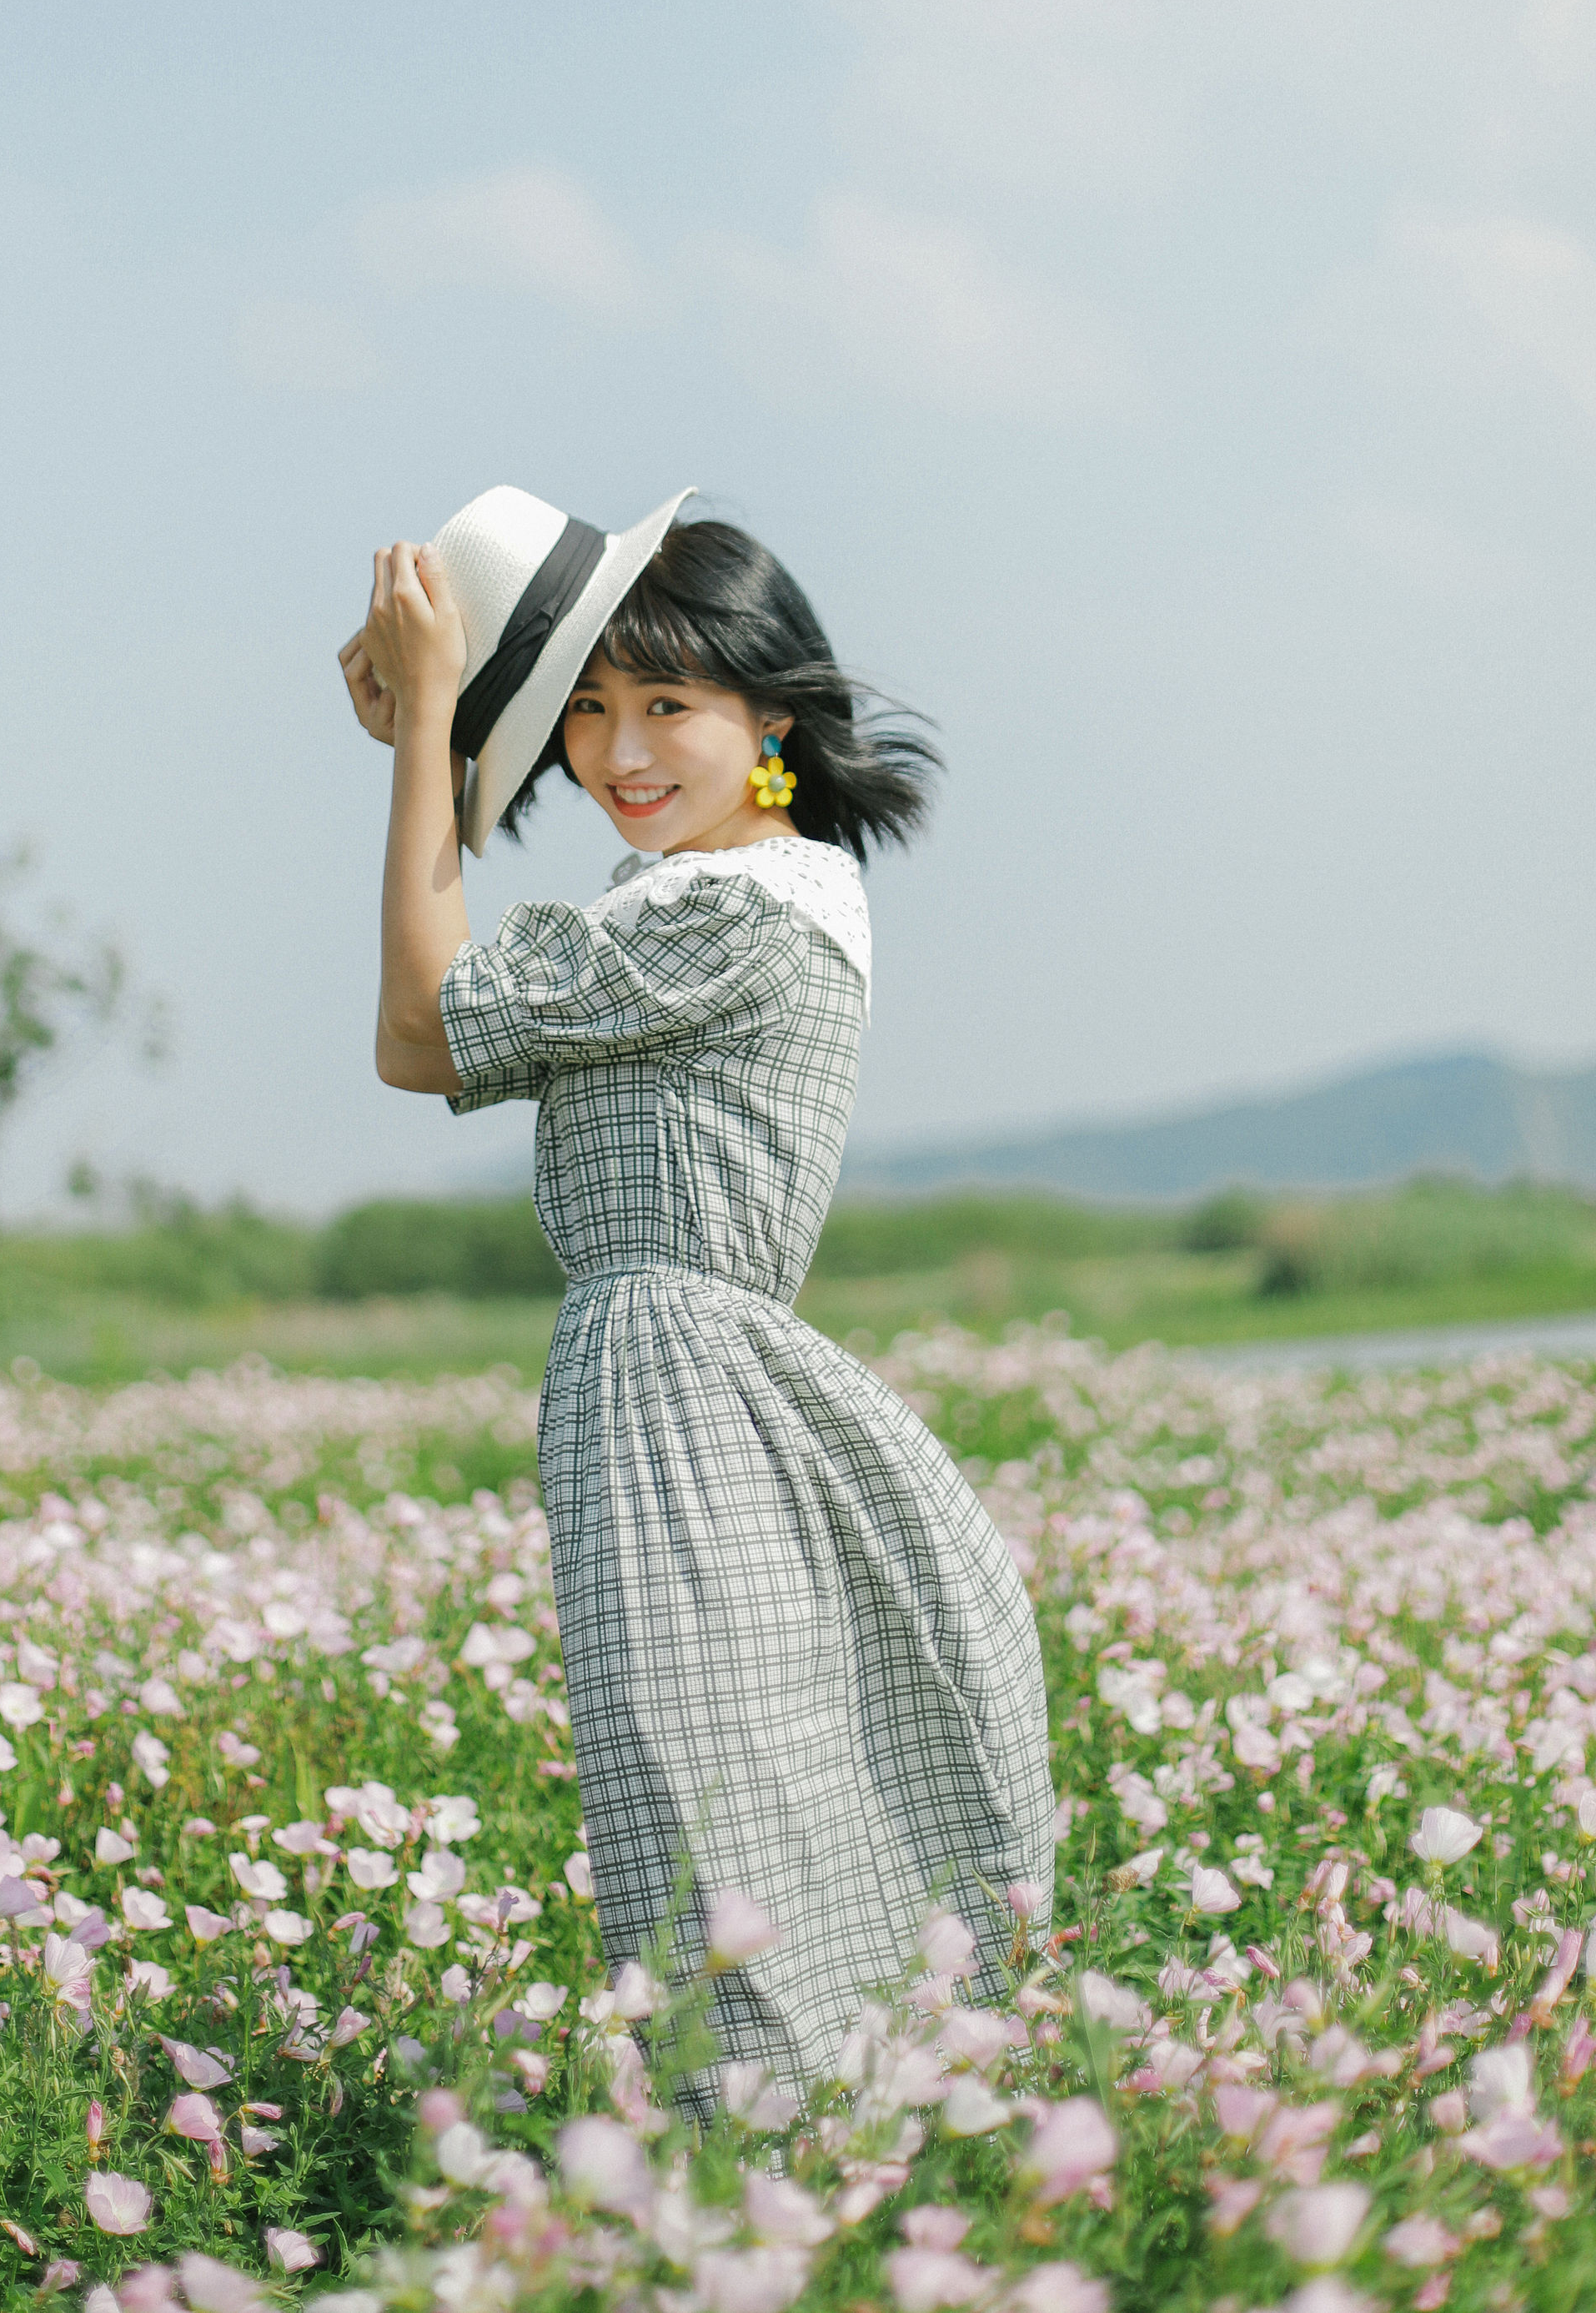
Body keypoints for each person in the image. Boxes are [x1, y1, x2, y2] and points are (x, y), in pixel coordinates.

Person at [339, 486, 1052, 2094]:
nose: (620, 749)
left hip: (680, 1375)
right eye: (585, 708)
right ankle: (802, 2175)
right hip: (678, 1369)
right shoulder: (710, 894)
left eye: (669, 703)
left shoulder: (735, 908)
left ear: (771, 717)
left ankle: (767, 2183)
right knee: (719, 1804)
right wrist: (435, 733)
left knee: (704, 1809)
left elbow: (417, 1031)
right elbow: (437, 1011)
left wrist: (435, 734)